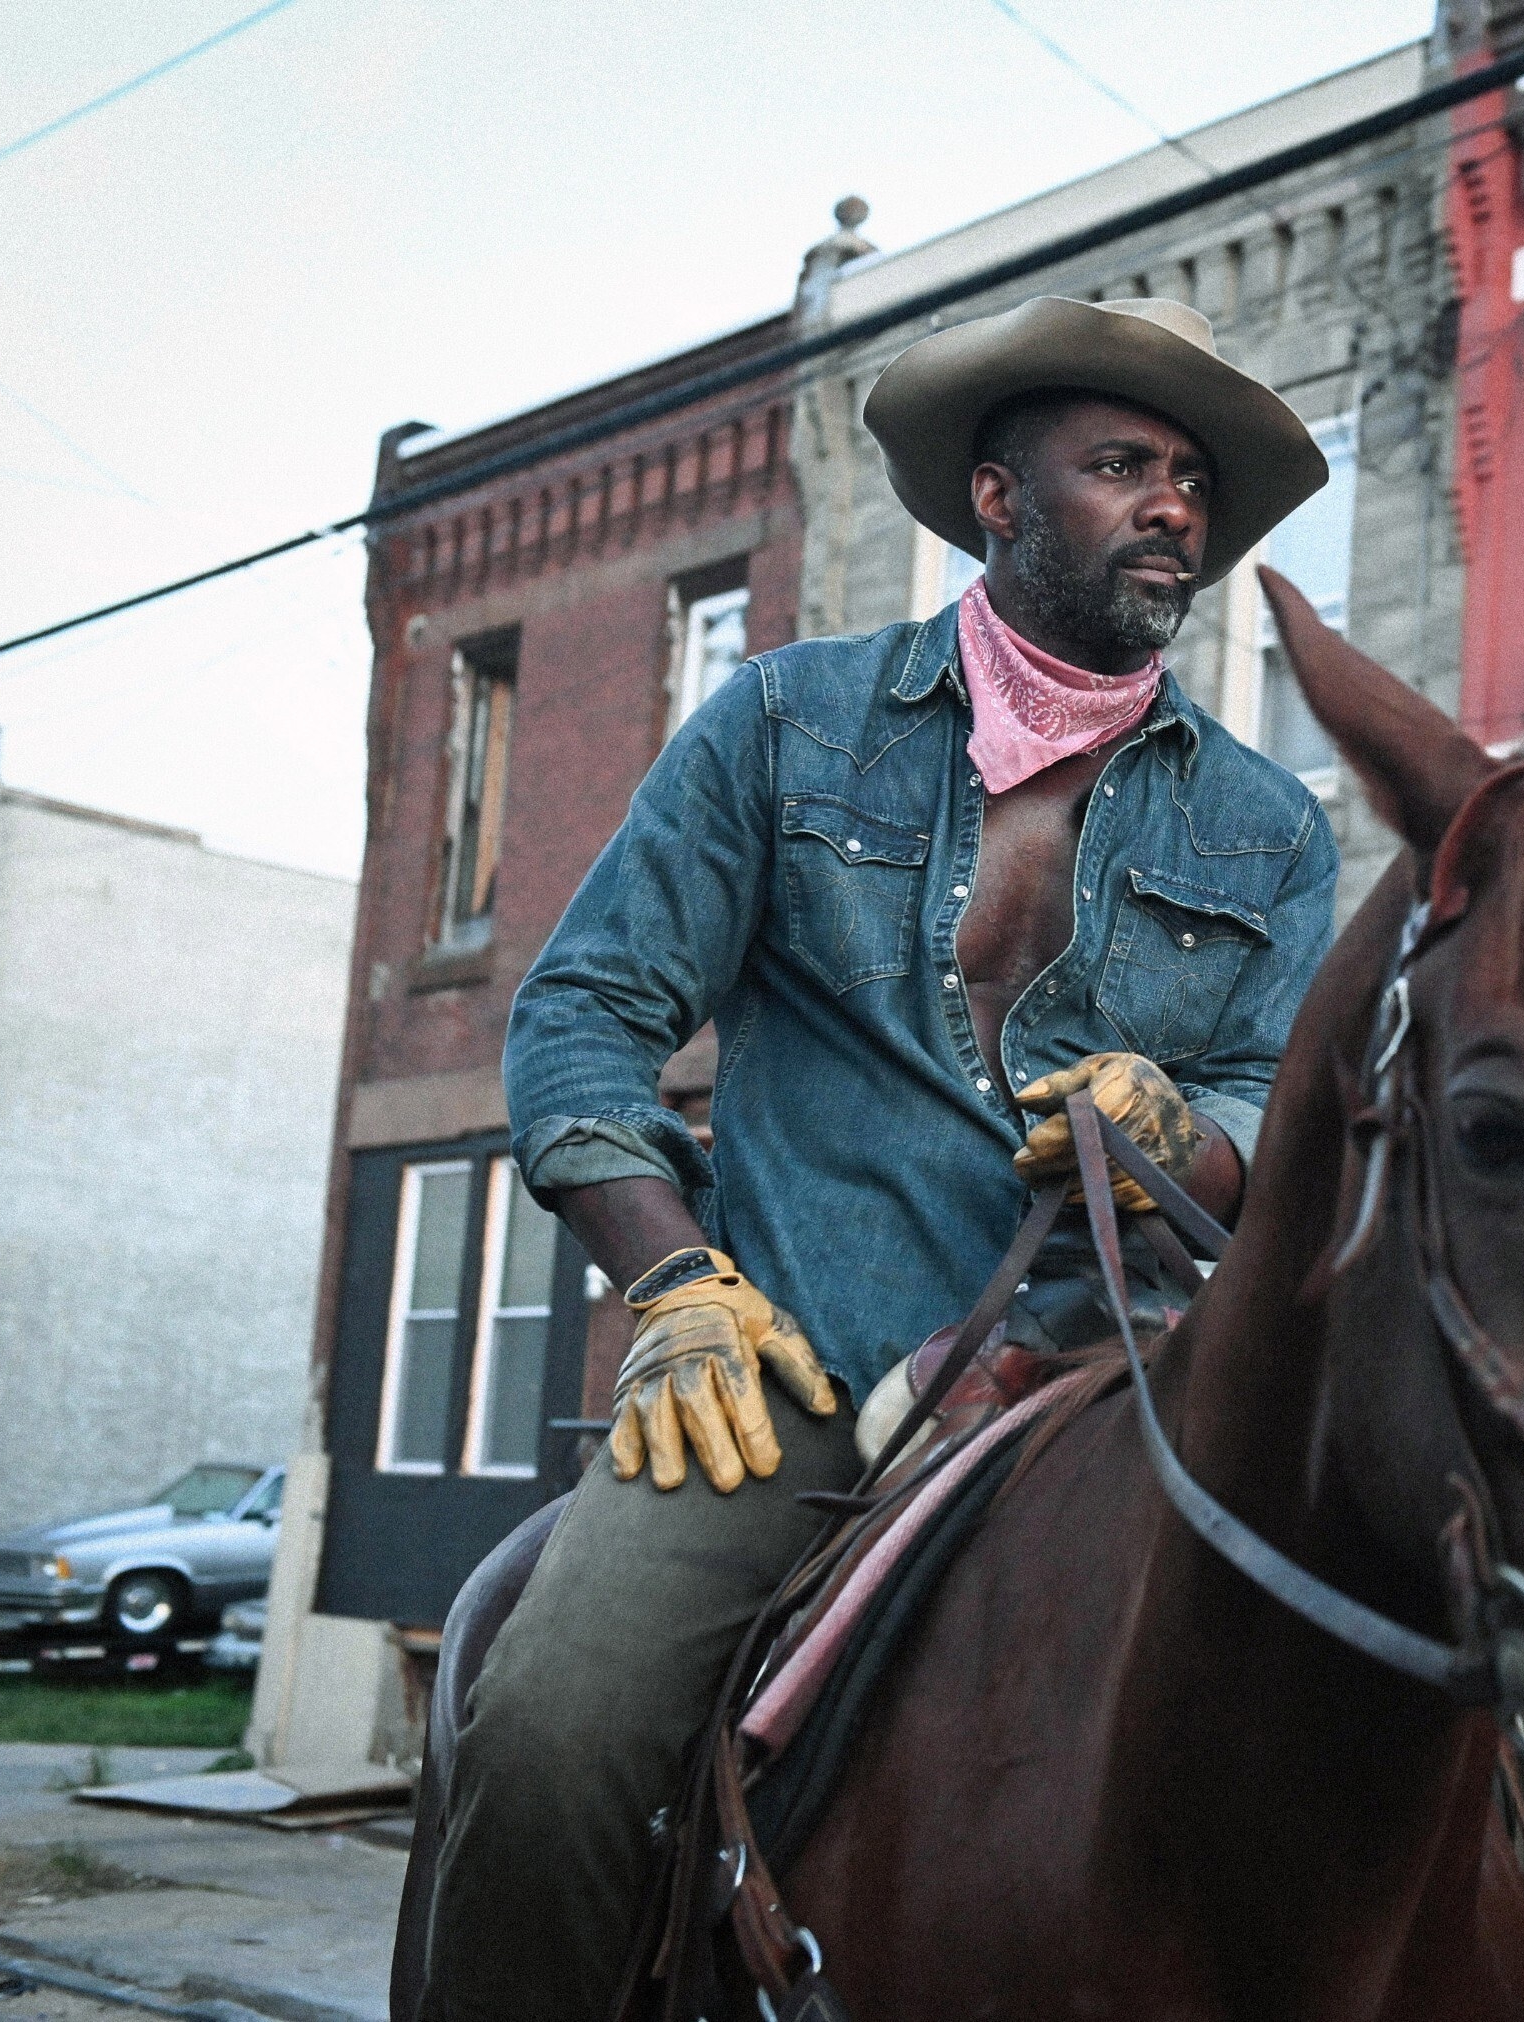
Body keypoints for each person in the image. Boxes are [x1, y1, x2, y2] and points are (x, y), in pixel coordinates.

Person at [424, 295, 1339, 2020]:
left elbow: (1282, 1109)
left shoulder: (1274, 830)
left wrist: (1190, 1136)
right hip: (786, 1368)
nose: (1173, 508)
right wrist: (673, 1282)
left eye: (1194, 484)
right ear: (997, 496)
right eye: (1123, 465)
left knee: (1476, 1725)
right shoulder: (785, 726)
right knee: (547, 1727)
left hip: (1112, 1390)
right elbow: (579, 1019)